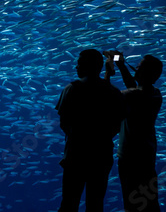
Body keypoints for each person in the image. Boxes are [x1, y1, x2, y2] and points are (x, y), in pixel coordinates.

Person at [55, 49, 123, 212]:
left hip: (75, 155)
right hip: (101, 155)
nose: (76, 67)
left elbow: (64, 122)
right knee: (95, 204)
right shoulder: (113, 92)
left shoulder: (72, 88)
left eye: (79, 64)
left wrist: (77, 136)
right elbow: (117, 123)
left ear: (86, 66)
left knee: (69, 203)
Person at [105, 52, 163, 212]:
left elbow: (106, 95)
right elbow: (134, 87)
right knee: (149, 201)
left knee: (132, 202)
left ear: (147, 72)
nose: (136, 68)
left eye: (140, 67)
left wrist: (107, 73)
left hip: (130, 157)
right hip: (147, 155)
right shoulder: (156, 94)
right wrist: (121, 64)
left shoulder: (134, 95)